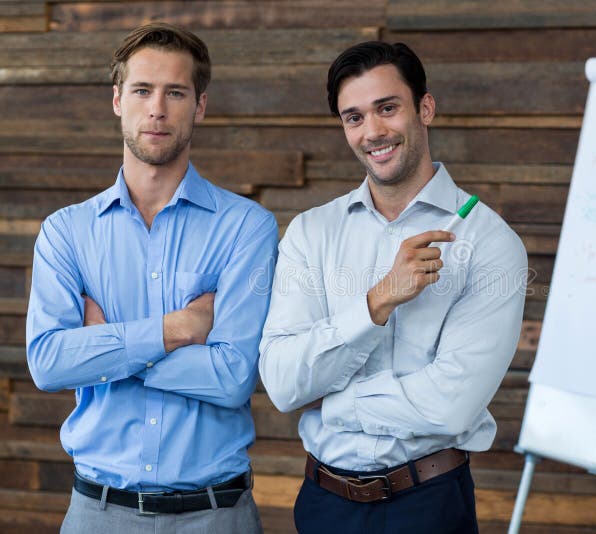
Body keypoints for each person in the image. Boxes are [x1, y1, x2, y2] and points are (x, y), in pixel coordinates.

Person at [259, 41, 527, 533]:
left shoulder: (488, 242)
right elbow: (281, 381)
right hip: (323, 505)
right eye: (354, 117)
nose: (373, 132)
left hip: (428, 504)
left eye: (387, 108)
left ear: (425, 108)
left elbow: (452, 406)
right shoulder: (310, 232)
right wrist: (377, 300)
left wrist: (336, 404)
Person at [25, 22, 277, 533]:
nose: (157, 108)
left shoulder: (247, 226)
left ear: (200, 105)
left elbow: (232, 379)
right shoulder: (66, 233)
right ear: (118, 100)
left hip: (216, 517)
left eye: (175, 92)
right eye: (142, 90)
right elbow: (49, 363)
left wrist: (104, 349)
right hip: (97, 514)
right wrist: (176, 330)